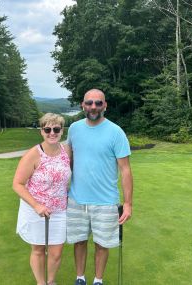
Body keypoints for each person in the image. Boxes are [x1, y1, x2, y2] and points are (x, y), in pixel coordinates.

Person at [67, 89, 133, 285]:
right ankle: (80, 278)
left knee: (102, 244)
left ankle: (98, 280)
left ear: (105, 105)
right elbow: (68, 161)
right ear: (82, 105)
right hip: (76, 200)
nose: (93, 107)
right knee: (79, 242)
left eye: (98, 103)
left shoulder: (116, 132)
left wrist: (128, 203)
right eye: (89, 103)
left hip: (105, 202)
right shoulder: (74, 129)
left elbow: (126, 170)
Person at [13, 113, 71, 285]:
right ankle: (41, 282)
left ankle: (51, 281)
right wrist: (36, 205)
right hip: (35, 210)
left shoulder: (66, 151)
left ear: (62, 131)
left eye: (56, 129)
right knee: (38, 249)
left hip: (60, 209)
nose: (52, 133)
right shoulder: (33, 154)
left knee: (57, 251)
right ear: (42, 131)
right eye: (47, 129)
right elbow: (17, 184)